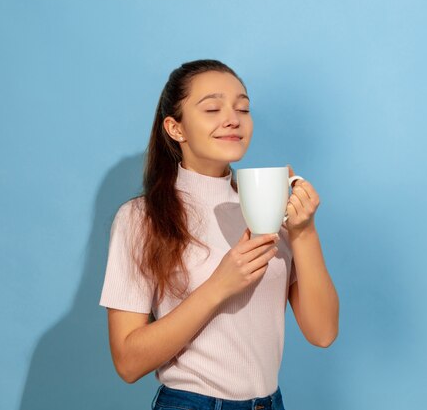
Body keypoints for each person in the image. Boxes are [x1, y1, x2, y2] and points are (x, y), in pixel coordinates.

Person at [99, 59, 339, 410]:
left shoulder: (269, 206)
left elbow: (323, 333)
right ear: (175, 128)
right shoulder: (141, 218)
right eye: (212, 108)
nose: (233, 118)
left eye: (242, 108)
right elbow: (128, 362)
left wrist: (304, 232)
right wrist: (220, 285)